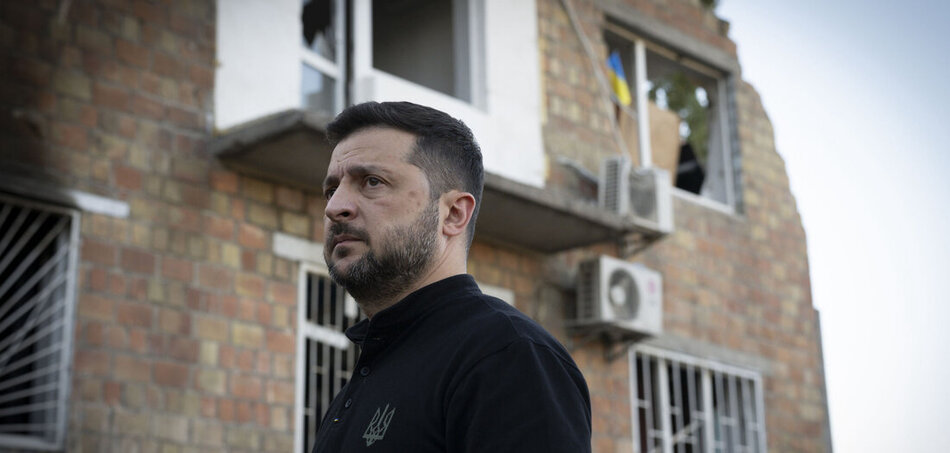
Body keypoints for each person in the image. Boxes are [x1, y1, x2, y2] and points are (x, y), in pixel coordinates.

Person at [312, 101, 591, 452]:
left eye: (372, 182)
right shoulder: (363, 381)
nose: (334, 207)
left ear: (454, 214)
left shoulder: (507, 355)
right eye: (331, 190)